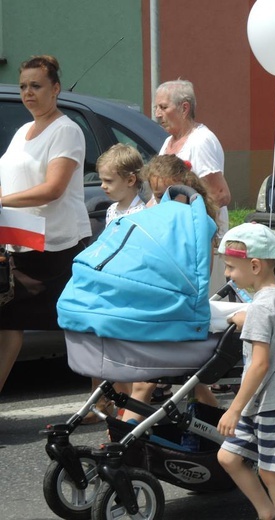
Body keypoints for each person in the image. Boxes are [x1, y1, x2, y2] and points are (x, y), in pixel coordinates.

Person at [0, 55, 91, 394]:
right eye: (23, 86)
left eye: (35, 86)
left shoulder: (66, 130)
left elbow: (53, 189)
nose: (27, 93)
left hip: (56, 246)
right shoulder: (24, 130)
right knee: (8, 325)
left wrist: (2, 202)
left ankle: (109, 401)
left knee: (83, 324)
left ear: (55, 89)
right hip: (20, 243)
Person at [120, 154, 220, 424]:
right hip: (162, 308)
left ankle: (123, 443)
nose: (160, 202)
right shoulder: (156, 218)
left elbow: (201, 277)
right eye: (155, 195)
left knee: (144, 385)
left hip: (177, 311)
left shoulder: (197, 224)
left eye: (166, 194)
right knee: (195, 384)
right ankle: (224, 440)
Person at [217, 223, 275, 520]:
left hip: (274, 402)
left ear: (254, 265)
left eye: (230, 267)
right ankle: (266, 512)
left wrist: (233, 409)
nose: (227, 274)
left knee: (271, 474)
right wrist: (246, 317)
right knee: (228, 456)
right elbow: (268, 322)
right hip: (260, 401)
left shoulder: (261, 309)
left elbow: (260, 363)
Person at [82, 144, 146, 424]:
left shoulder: (141, 214)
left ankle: (129, 411)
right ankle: (117, 407)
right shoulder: (112, 211)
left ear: (130, 180)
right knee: (111, 354)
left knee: (125, 359)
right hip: (111, 289)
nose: (103, 186)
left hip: (128, 291)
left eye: (109, 181)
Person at [154, 79, 231, 296]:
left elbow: (220, 194)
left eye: (163, 107)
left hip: (201, 241)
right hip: (176, 239)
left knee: (206, 303)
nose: (157, 114)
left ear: (184, 108)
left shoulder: (200, 141)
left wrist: (189, 223)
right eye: (156, 107)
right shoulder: (168, 142)